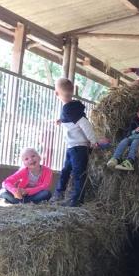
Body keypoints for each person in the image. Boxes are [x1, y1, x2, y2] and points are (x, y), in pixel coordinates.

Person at [52, 78, 97, 207]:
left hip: (79, 147)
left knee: (78, 174)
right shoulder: (70, 107)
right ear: (72, 91)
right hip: (73, 147)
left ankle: (76, 201)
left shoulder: (70, 109)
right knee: (66, 171)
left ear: (56, 93)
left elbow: (85, 124)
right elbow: (72, 120)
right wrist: (61, 120)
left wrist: (93, 141)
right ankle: (59, 194)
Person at [106, 102, 139, 171]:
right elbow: (129, 132)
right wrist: (135, 131)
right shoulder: (134, 122)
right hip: (132, 137)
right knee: (125, 140)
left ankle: (130, 161)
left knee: (135, 142)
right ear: (138, 114)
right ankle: (115, 158)